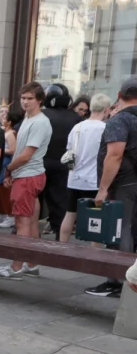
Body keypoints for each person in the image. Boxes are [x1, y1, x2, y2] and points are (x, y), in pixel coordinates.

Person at [87, 77, 137, 297]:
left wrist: (102, 189)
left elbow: (114, 155)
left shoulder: (120, 120)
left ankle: (118, 283)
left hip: (123, 183)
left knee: (120, 230)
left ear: (119, 95)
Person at [0, 82, 52, 279]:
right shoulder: (29, 118)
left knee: (22, 223)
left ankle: (16, 267)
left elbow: (26, 155)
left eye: (30, 98)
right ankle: (31, 264)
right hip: (28, 175)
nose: (25, 102)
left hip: (28, 176)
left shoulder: (39, 122)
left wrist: (8, 169)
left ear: (39, 100)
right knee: (30, 222)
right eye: (23, 98)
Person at [60, 94, 110, 244]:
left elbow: (69, 150)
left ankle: (62, 246)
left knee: (70, 214)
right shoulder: (105, 128)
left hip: (74, 178)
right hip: (94, 180)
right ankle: (94, 251)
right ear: (106, 109)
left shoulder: (78, 127)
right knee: (97, 218)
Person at [40, 83, 82, 237]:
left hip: (41, 162)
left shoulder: (42, 115)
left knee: (35, 200)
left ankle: (29, 233)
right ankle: (60, 234)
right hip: (64, 164)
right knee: (60, 201)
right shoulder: (76, 118)